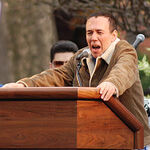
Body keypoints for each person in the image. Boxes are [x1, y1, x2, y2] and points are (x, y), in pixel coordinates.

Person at [2, 11, 150, 146]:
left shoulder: (125, 50)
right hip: (95, 139)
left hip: (133, 140)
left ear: (114, 35)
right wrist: (23, 85)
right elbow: (57, 75)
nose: (93, 38)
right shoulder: (81, 56)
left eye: (99, 32)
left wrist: (112, 84)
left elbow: (123, 70)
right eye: (89, 33)